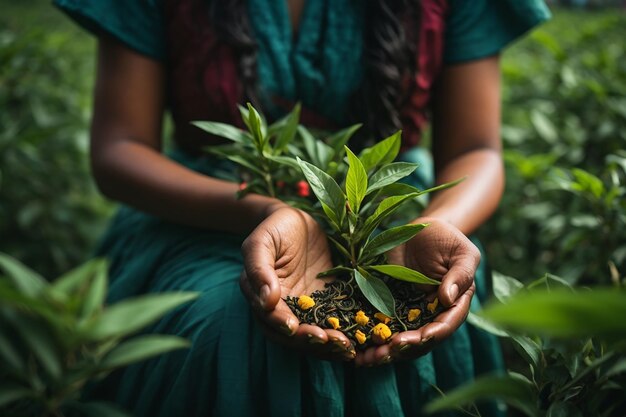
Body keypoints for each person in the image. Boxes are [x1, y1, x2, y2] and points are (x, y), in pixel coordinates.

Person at [53, 0, 550, 416]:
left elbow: (477, 150)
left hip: (393, 217)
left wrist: (435, 224)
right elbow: (119, 147)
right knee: (232, 326)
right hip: (205, 208)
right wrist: (262, 211)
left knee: (406, 316)